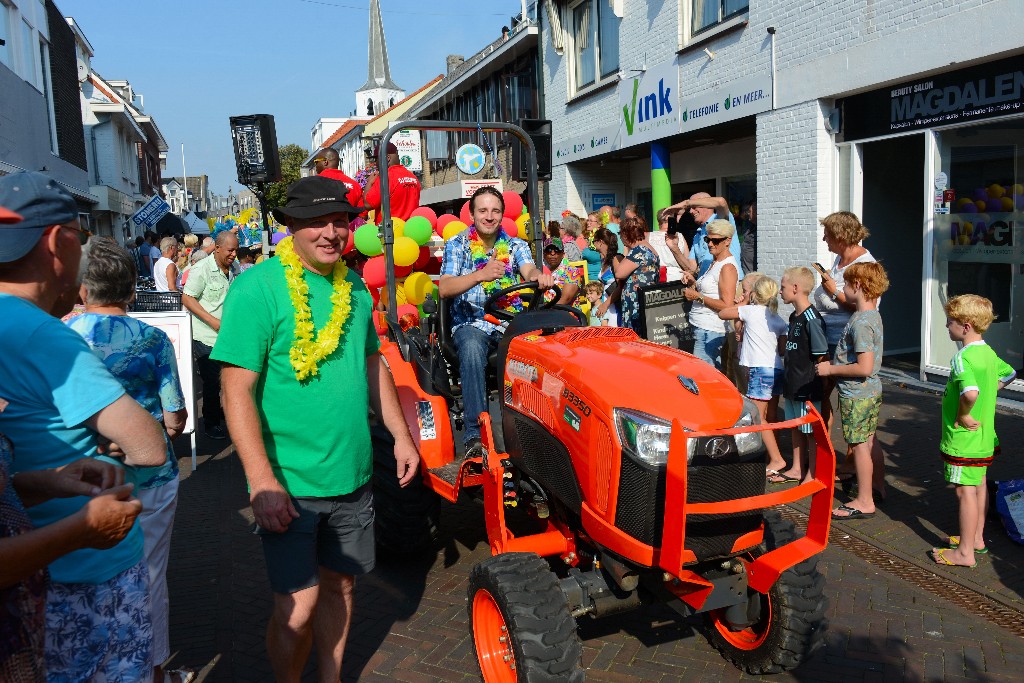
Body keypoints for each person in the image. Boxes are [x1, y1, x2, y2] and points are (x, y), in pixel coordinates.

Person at [213, 175, 419, 682]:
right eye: (317, 223)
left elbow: (373, 364)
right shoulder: (257, 287)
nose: (331, 232)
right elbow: (234, 390)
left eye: (340, 221)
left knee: (341, 589)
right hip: (288, 483)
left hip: (352, 473)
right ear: (291, 228)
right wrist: (261, 481)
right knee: (296, 609)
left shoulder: (353, 288)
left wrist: (400, 433)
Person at [0, 171, 168, 681]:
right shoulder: (43, 337)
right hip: (84, 569)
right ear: (59, 241)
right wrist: (88, 518)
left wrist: (40, 479)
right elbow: (148, 446)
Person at [67, 236, 192, 682]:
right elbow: (174, 419)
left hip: (78, 481)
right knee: (151, 576)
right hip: (150, 478)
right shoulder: (153, 340)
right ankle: (154, 670)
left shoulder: (62, 337)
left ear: (82, 288)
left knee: (87, 581)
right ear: (132, 287)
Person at [440, 185, 553, 458]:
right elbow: (444, 287)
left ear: (502, 215)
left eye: (495, 211)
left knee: (544, 348)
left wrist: (539, 275)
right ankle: (474, 435)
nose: (489, 216)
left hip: (508, 322)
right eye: (483, 211)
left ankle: (536, 431)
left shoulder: (515, 245)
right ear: (471, 214)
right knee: (471, 347)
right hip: (471, 323)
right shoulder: (458, 245)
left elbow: (528, 268)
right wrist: (480, 275)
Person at [930, 295, 1016, 567]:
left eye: (950, 322)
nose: (946, 326)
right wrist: (990, 393)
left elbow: (970, 392)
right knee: (978, 486)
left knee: (964, 491)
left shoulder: (962, 358)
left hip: (964, 440)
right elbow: (1010, 374)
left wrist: (964, 414)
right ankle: (976, 539)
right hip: (984, 438)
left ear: (965, 326)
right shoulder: (988, 353)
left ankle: (964, 553)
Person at [816, 262, 889, 520]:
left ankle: (864, 500)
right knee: (869, 441)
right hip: (869, 392)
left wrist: (830, 370)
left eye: (846, 284)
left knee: (859, 445)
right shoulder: (872, 316)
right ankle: (876, 487)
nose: (843, 288)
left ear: (858, 286)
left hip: (857, 394)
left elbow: (864, 367)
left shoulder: (860, 323)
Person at [811, 211, 877, 430]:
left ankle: (852, 456)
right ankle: (824, 449)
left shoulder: (864, 264)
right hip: (827, 337)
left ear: (840, 236)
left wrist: (834, 292)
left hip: (846, 342)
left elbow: (867, 307)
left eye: (827, 235)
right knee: (820, 394)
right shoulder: (840, 258)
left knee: (849, 397)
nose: (824, 239)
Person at [720, 273, 788, 479]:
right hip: (776, 368)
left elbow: (723, 313)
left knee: (757, 417)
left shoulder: (751, 311)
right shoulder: (778, 319)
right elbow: (783, 350)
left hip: (760, 370)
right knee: (771, 416)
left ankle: (776, 459)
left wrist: (744, 302)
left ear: (755, 295)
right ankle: (770, 455)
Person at [183, 230, 238, 440]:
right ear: (217, 248)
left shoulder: (234, 268)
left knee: (228, 379)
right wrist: (212, 321)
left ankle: (222, 414)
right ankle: (211, 422)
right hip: (205, 336)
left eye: (236, 250)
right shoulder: (201, 269)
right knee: (212, 381)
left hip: (228, 335)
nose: (234, 254)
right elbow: (187, 299)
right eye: (230, 250)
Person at [776, 266, 828, 483]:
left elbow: (821, 356)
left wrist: (821, 388)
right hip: (792, 384)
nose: (780, 292)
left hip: (807, 387)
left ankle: (813, 473)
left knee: (810, 433)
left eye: (783, 287)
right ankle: (797, 468)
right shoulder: (793, 316)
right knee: (795, 428)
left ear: (795, 288)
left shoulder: (812, 318)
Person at [681, 219, 738, 370]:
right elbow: (710, 291)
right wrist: (693, 282)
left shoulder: (727, 267)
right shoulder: (714, 262)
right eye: (708, 239)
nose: (710, 244)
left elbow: (727, 306)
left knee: (703, 376)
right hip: (702, 327)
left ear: (727, 241)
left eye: (715, 240)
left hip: (710, 330)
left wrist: (697, 296)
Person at [665, 193, 744, 280]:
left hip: (729, 285)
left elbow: (721, 202)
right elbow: (691, 268)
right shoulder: (698, 235)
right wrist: (674, 248)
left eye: (694, 206)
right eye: (690, 208)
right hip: (709, 289)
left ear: (707, 205)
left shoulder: (721, 220)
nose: (691, 211)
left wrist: (686, 203)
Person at [614, 216, 659, 333]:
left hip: (636, 304)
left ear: (626, 234)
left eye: (620, 233)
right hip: (645, 300)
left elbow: (619, 273)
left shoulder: (639, 250)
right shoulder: (648, 248)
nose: (620, 237)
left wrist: (616, 259)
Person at [364, 142, 421, 220]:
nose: (375, 163)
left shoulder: (386, 177)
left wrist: (369, 182)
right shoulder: (413, 177)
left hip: (390, 230)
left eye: (376, 159)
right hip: (409, 229)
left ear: (387, 158)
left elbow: (368, 204)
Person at [315, 147, 365, 212]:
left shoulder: (314, 183)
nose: (315, 165)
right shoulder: (355, 185)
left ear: (325, 162)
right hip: (348, 221)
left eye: (316, 162)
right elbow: (362, 214)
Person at [592, 227, 623, 325]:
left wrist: (605, 305)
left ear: (600, 242)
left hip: (615, 307)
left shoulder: (616, 258)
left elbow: (621, 286)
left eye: (594, 241)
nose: (593, 244)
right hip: (607, 306)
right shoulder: (604, 261)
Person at [541, 238, 583, 309]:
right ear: (544, 255)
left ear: (563, 254)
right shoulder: (539, 270)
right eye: (549, 250)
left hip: (565, 314)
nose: (552, 253)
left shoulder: (572, 271)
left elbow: (565, 299)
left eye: (557, 250)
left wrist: (546, 311)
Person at [580, 212, 604, 281]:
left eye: (591, 221)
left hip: (596, 279)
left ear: (599, 224)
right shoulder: (590, 238)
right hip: (587, 278)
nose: (588, 223)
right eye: (588, 220)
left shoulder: (600, 239)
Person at [739, 200, 757, 275]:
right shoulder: (749, 227)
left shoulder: (760, 231)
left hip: (752, 273)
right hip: (745, 271)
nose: (748, 214)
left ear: (756, 213)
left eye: (750, 211)